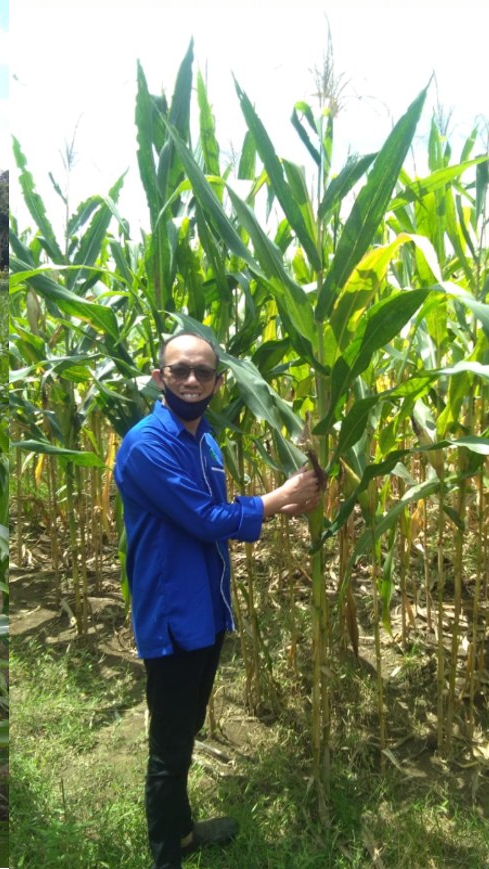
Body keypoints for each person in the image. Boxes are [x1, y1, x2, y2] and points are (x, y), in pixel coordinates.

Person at [113, 331, 322, 869]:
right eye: (179, 370)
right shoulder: (146, 445)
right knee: (169, 745)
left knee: (186, 727)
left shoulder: (204, 441)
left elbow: (219, 512)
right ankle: (167, 856)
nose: (191, 380)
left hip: (207, 609)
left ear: (217, 382)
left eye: (202, 372)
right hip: (174, 614)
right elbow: (204, 520)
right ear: (159, 378)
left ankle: (182, 830)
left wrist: (278, 508)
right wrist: (277, 498)